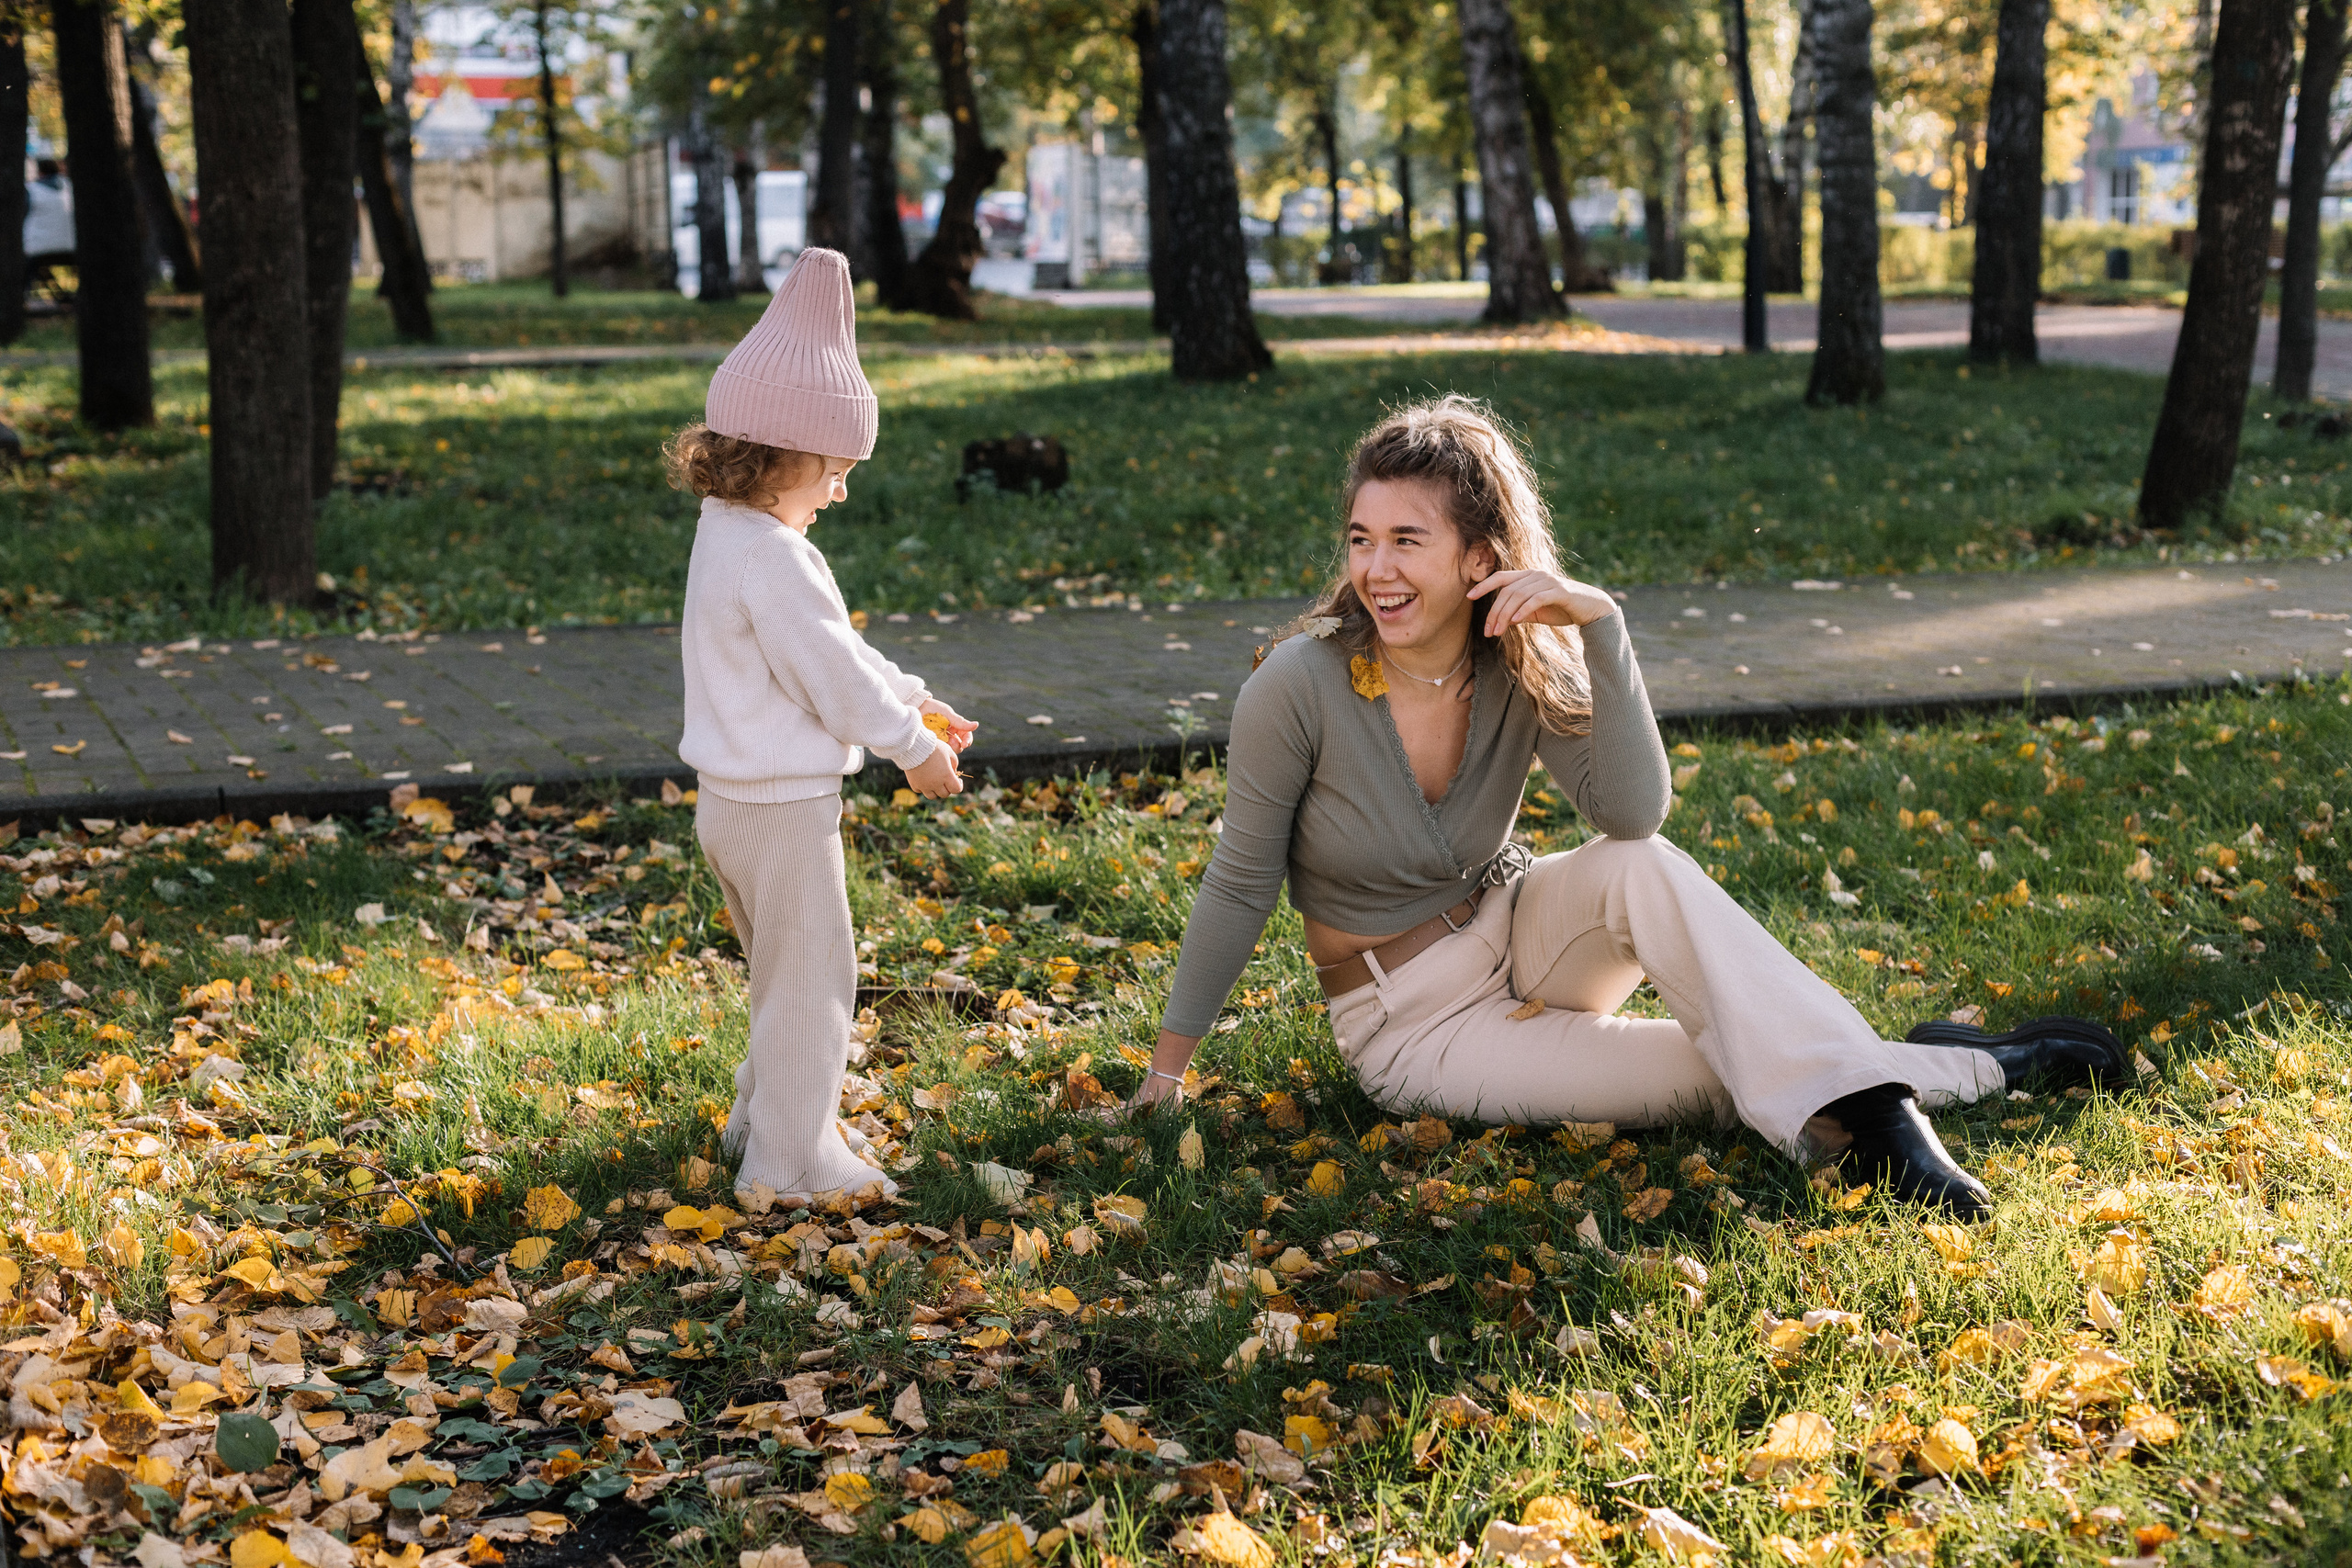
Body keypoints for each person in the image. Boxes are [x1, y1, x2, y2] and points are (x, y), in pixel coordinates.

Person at [1129, 396, 2124, 1218]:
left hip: (1519, 929)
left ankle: (1881, 1128)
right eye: (1360, 539)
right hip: (1411, 1023)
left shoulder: (1514, 657)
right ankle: (1976, 1073)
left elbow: (1632, 816)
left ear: (1480, 557)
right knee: (1723, 1071)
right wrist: (1166, 1077)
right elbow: (1239, 880)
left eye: (1405, 540)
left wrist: (1603, 628)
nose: (1375, 569)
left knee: (1645, 872)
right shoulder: (1297, 687)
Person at [673, 247, 976, 1205]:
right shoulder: (778, 558)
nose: (840, 491)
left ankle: (756, 1119)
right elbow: (835, 679)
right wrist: (913, 747)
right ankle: (793, 1163)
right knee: (814, 983)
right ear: (780, 455)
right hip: (783, 813)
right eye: (834, 469)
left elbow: (827, 657)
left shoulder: (729, 536)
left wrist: (912, 694)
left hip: (728, 806)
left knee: (778, 973)